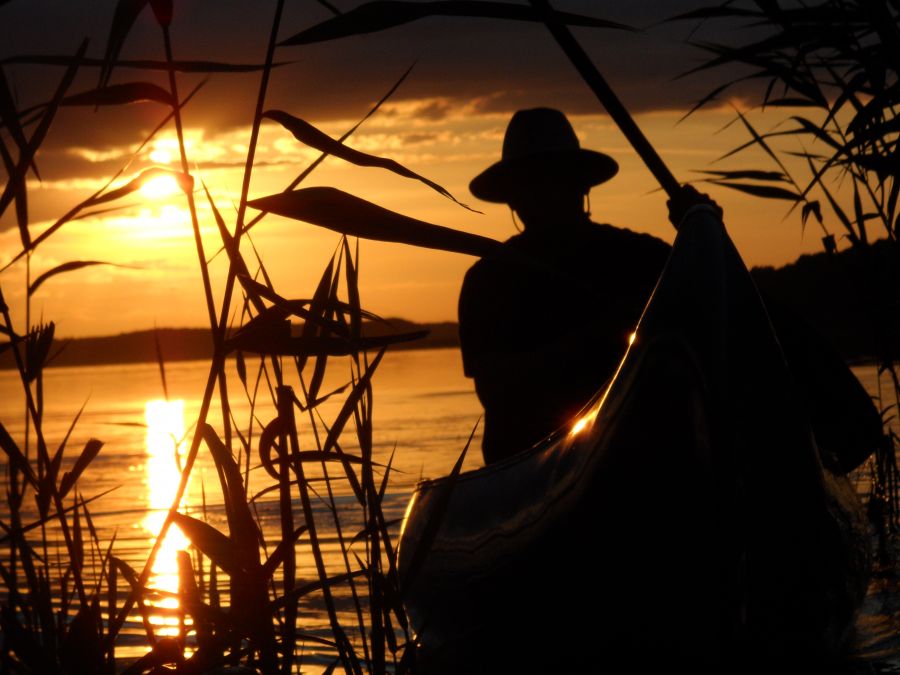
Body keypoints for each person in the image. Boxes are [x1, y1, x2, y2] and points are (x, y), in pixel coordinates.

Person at [459, 107, 676, 464]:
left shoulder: (645, 258)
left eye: (553, 178)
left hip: (632, 454)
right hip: (529, 462)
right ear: (513, 195)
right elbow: (495, 390)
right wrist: (596, 336)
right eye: (531, 182)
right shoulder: (489, 278)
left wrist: (701, 227)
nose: (543, 191)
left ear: (581, 183)